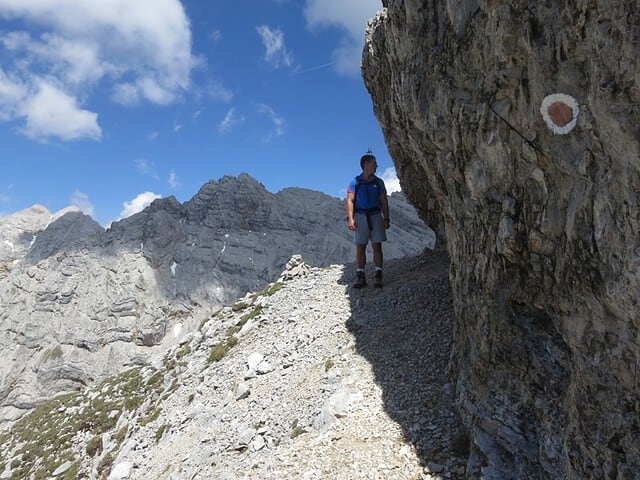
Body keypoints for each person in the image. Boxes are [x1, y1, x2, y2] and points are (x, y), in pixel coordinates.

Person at [346, 151, 390, 288]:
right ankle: (361, 277)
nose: (377, 165)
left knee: (377, 246)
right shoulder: (355, 182)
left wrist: (386, 218)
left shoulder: (379, 182)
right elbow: (350, 201)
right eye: (374, 163)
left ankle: (378, 276)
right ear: (366, 164)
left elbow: (384, 201)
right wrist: (351, 219)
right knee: (361, 247)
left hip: (375, 215)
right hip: (361, 216)